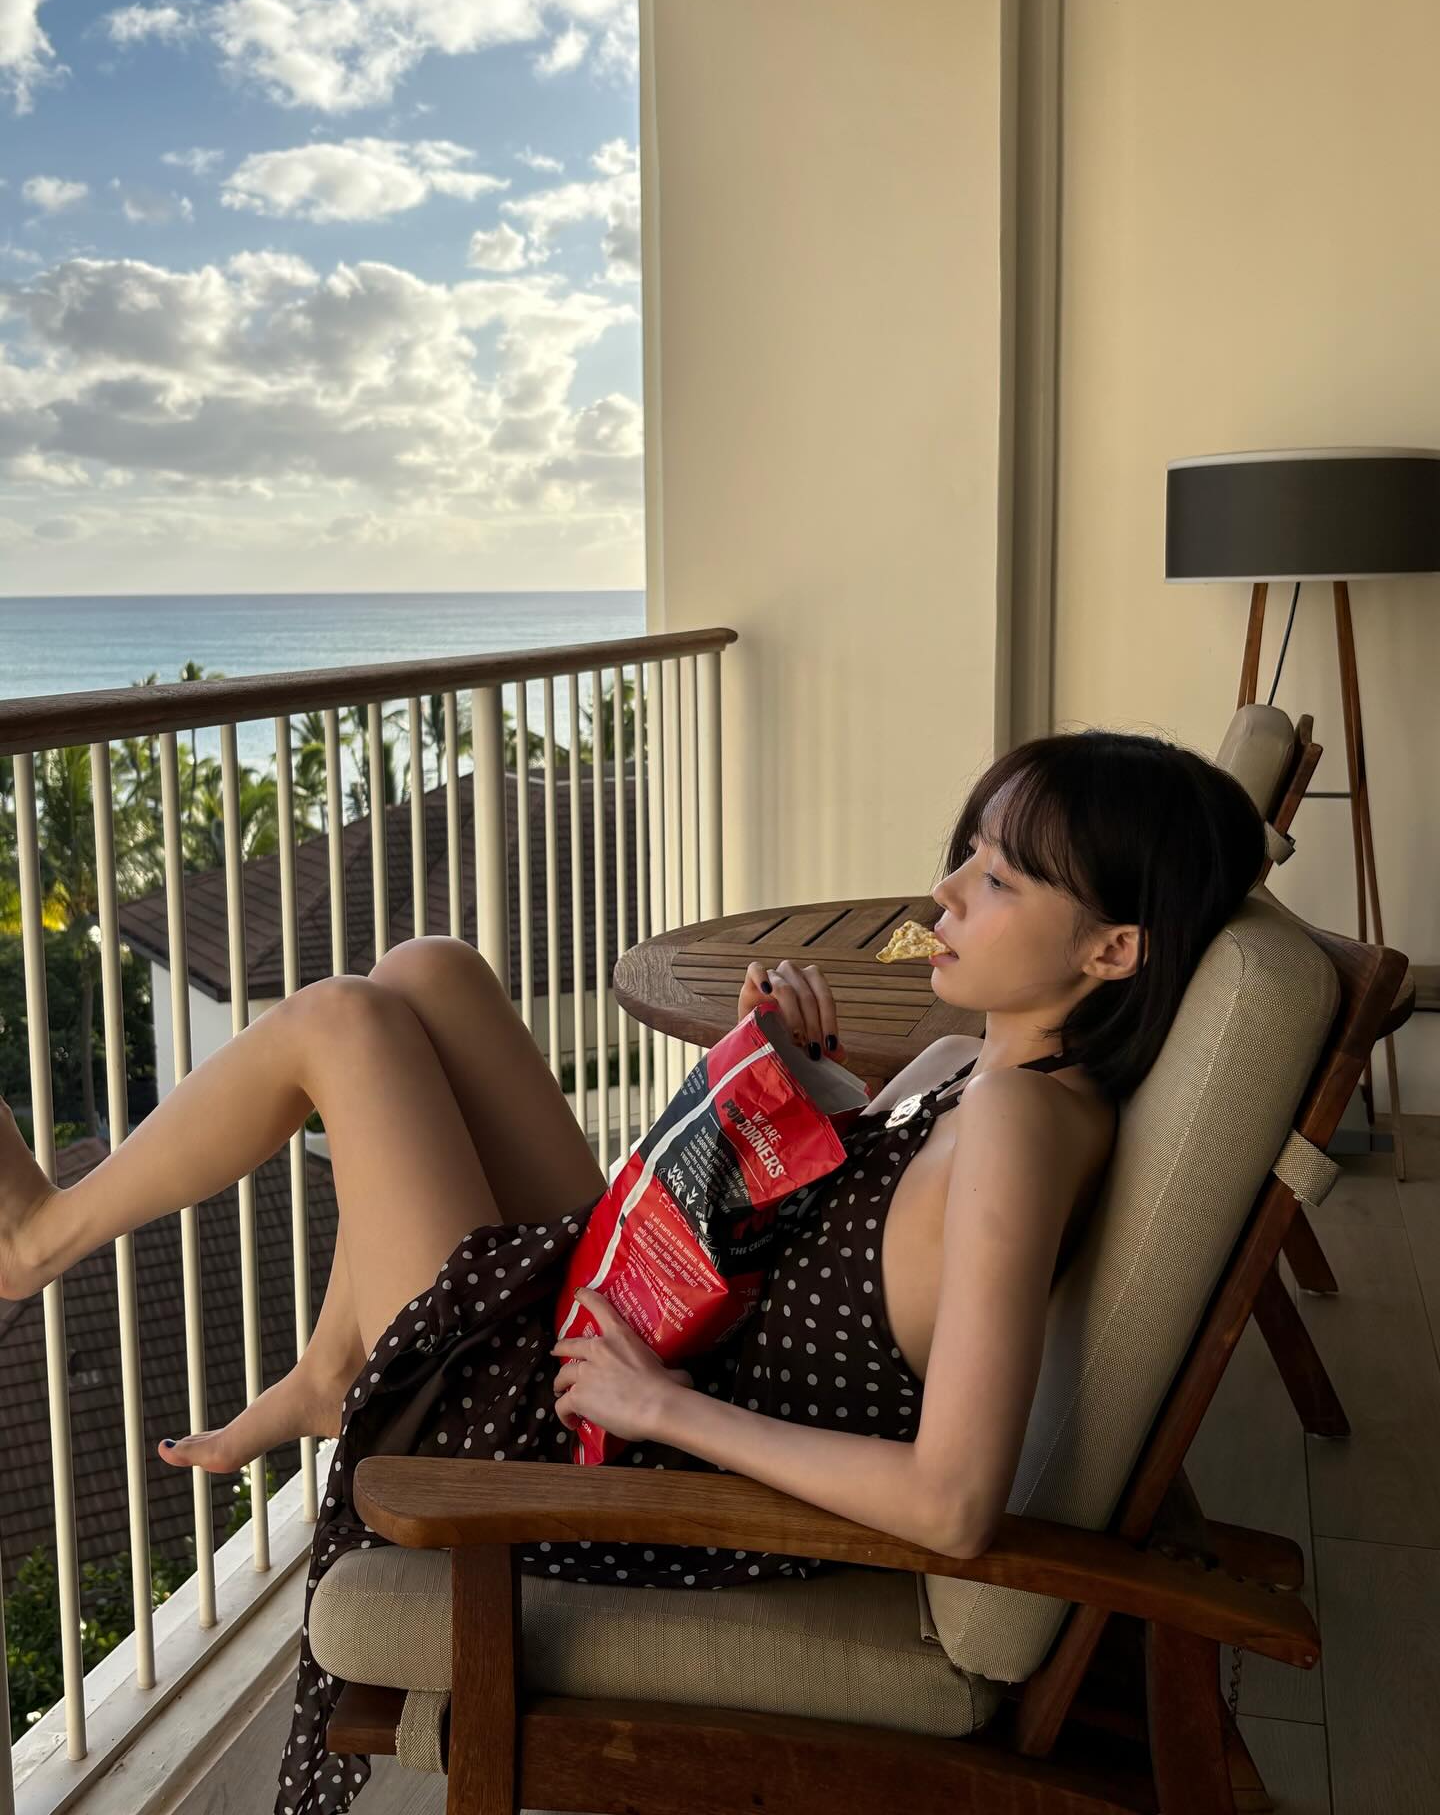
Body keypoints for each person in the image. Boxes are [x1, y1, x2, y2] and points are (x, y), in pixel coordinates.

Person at [0, 727, 1266, 1814]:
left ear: (1114, 951)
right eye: (968, 853)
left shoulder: (1021, 1132)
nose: (942, 893)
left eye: (996, 879)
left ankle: (35, 1246)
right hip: (656, 1334)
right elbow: (875, 1252)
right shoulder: (985, 1073)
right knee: (434, 969)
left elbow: (951, 1505)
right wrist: (788, 1069)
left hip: (593, 1442)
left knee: (345, 1021)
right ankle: (341, 1368)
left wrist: (660, 1406)